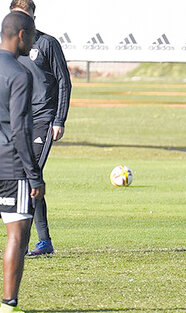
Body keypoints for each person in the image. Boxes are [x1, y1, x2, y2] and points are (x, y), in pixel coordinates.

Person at [10, 0, 72, 256]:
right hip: (16, 121)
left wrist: (59, 120)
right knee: (17, 178)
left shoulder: (47, 43)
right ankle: (40, 241)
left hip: (42, 120)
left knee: (29, 176)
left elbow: (64, 83)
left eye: (25, 15)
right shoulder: (9, 48)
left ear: (33, 16)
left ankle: (36, 241)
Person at [0, 11, 45, 313]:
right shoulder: (19, 72)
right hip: (10, 165)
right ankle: (9, 304)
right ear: (20, 35)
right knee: (17, 234)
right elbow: (19, 128)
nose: (32, 40)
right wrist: (34, 175)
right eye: (31, 35)